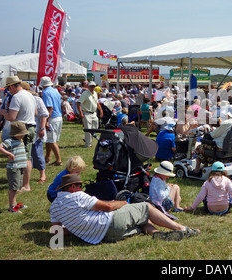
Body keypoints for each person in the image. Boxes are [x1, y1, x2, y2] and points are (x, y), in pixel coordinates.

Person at [49, 173, 200, 244]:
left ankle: (156, 233)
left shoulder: (54, 206)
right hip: (109, 222)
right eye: (80, 185)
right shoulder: (78, 196)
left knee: (139, 220)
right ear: (72, 187)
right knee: (145, 207)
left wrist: (78, 228)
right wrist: (122, 203)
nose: (82, 188)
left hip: (102, 238)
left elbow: (58, 231)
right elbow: (108, 207)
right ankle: (182, 228)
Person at [0, 76, 36, 192]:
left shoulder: (17, 97)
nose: (8, 91)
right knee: (27, 156)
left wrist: (3, 112)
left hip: (22, 129)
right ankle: (24, 184)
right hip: (30, 126)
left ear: (11, 86)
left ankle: (24, 185)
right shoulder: (29, 95)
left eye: (8, 88)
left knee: (23, 158)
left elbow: (11, 117)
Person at [0, 121, 29, 213]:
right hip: (14, 168)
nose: (23, 135)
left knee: (17, 187)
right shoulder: (9, 141)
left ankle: (15, 203)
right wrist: (9, 154)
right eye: (21, 134)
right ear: (15, 134)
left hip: (20, 167)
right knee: (13, 188)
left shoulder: (20, 140)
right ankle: (12, 206)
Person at [21, 82, 49, 183]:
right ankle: (24, 176)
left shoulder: (36, 99)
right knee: (24, 153)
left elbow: (44, 114)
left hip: (35, 130)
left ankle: (43, 175)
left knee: (37, 152)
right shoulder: (19, 99)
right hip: (22, 130)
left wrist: (42, 128)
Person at [39, 76, 63, 166]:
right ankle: (47, 158)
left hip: (52, 117)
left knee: (52, 140)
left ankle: (58, 160)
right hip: (58, 117)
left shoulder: (45, 93)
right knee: (49, 139)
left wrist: (46, 121)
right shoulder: (55, 91)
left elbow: (49, 107)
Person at [77, 81, 103, 148]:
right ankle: (88, 144)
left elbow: (97, 103)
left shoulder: (95, 93)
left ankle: (87, 139)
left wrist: (101, 110)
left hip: (94, 113)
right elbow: (78, 103)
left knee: (95, 128)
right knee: (88, 129)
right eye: (91, 86)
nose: (92, 88)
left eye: (94, 86)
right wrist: (81, 113)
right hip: (87, 113)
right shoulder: (85, 93)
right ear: (88, 86)